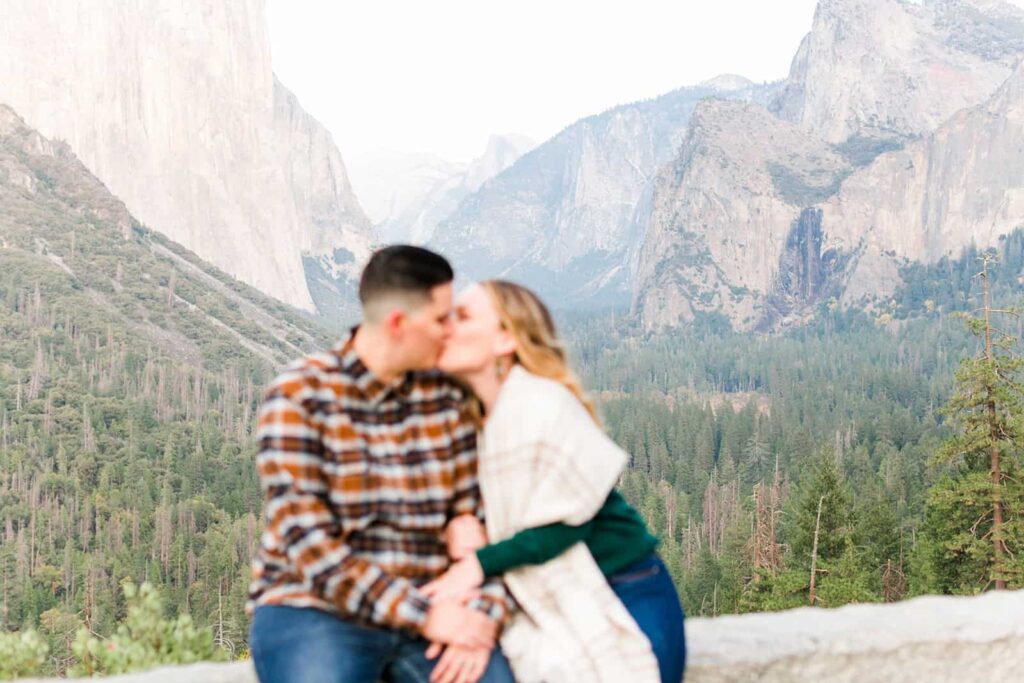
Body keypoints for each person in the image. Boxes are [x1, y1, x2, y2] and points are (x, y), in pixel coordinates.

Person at [247, 246, 515, 683]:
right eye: (441, 320)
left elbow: (491, 527)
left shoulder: (448, 398)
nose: (451, 331)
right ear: (398, 324)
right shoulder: (301, 395)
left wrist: (486, 614)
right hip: (317, 611)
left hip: (440, 606)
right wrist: (424, 615)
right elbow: (311, 546)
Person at [421, 280, 687, 683]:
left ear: (505, 339)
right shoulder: (470, 420)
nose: (447, 326)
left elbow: (565, 525)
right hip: (540, 594)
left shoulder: (544, 404)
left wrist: (477, 563)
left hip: (625, 585)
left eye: (463, 316)